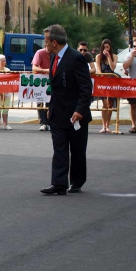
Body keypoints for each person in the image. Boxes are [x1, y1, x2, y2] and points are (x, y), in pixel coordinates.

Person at [41, 24, 92, 195]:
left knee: (77, 150)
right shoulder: (54, 58)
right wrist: (50, 107)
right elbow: (55, 87)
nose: (45, 45)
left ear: (55, 42)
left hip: (75, 113)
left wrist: (80, 110)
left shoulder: (76, 58)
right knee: (59, 148)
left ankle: (77, 181)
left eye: (46, 41)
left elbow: (85, 88)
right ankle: (59, 183)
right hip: (57, 112)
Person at [94, 39, 118, 133]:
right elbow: (99, 71)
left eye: (107, 47)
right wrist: (103, 76)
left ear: (110, 47)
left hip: (112, 83)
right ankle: (103, 125)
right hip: (103, 82)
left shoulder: (114, 56)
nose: (106, 49)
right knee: (105, 103)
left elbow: (113, 68)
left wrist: (109, 57)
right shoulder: (99, 57)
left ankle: (108, 125)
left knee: (111, 104)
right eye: (104, 47)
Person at [32, 47, 51, 131]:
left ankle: (49, 122)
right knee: (40, 101)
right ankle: (43, 122)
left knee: (50, 103)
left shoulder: (56, 53)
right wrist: (45, 70)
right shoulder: (40, 52)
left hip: (51, 81)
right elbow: (34, 68)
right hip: (40, 81)